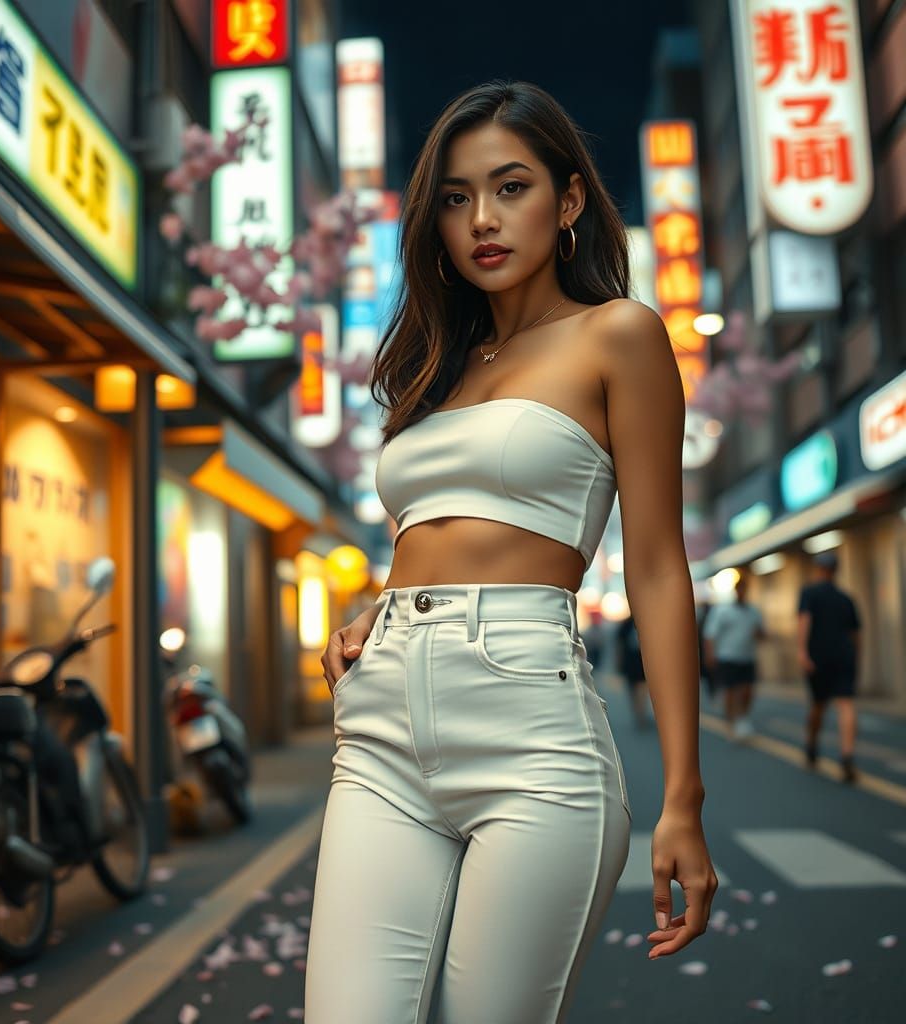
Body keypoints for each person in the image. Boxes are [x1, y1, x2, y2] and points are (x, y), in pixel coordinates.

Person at [308, 80, 716, 1023]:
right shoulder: (435, 368)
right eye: (456, 198)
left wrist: (682, 798)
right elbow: (435, 529)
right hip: (379, 731)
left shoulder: (618, 334)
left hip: (531, 728)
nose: (482, 220)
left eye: (511, 187)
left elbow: (658, 567)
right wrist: (379, 606)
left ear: (568, 201)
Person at [797, 551, 861, 783]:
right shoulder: (846, 599)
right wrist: (856, 659)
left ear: (818, 569)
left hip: (819, 657)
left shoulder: (809, 593)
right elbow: (856, 635)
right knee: (846, 704)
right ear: (836, 570)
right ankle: (847, 756)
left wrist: (802, 652)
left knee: (818, 704)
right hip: (844, 656)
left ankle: (812, 745)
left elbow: (804, 621)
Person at [701, 573, 765, 741]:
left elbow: (762, 634)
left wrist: (759, 634)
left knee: (747, 690)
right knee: (730, 690)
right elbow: (710, 635)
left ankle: (742, 718)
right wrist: (710, 655)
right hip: (727, 657)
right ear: (736, 591)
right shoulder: (722, 611)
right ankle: (730, 720)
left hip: (747, 657)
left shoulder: (753, 611)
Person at [615, 612, 652, 729]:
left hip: (638, 663)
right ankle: (639, 714)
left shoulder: (629, 624)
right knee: (636, 690)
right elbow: (620, 645)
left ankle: (640, 714)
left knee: (639, 690)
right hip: (634, 662)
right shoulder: (628, 625)